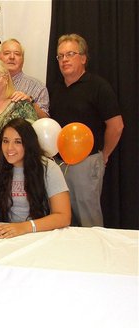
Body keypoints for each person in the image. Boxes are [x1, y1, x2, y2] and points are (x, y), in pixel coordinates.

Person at [50, 33, 124, 227]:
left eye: (70, 54)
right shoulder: (55, 89)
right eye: (60, 56)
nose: (64, 59)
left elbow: (116, 126)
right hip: (58, 164)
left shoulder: (99, 86)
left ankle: (94, 256)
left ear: (83, 58)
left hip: (86, 163)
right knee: (62, 218)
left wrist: (103, 155)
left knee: (87, 220)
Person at [0, 118, 71, 239]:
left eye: (18, 142)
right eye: (5, 141)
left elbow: (63, 216)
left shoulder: (49, 167)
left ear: (28, 144)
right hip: (6, 234)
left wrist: (24, 227)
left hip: (39, 234)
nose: (9, 148)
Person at [0, 38, 49, 118]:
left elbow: (45, 120)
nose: (12, 57)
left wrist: (30, 103)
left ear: (23, 59)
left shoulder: (38, 87)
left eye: (17, 54)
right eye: (7, 53)